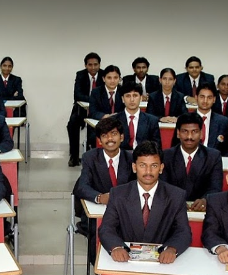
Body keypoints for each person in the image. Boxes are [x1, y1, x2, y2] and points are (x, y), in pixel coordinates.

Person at [98, 141, 192, 275]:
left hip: (160, 264)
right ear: (134, 167)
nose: (148, 171)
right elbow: (107, 228)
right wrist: (116, 247)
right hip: (128, 262)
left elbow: (183, 231)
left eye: (153, 166)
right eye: (143, 165)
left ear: (161, 168)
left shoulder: (176, 195)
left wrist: (172, 248)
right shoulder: (118, 193)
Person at [71, 116, 135, 245]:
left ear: (121, 137)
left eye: (114, 134)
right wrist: (100, 198)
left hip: (127, 213)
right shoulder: (90, 157)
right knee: (98, 238)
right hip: (98, 214)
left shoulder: (132, 158)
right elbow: (82, 187)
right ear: (99, 140)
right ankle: (98, 263)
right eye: (105, 135)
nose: (110, 139)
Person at [161, 113, 223, 212]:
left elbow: (215, 188)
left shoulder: (213, 156)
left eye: (194, 132)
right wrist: (176, 201)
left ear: (201, 134)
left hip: (202, 211)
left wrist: (205, 200)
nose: (189, 136)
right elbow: (163, 186)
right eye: (185, 131)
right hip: (172, 209)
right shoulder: (166, 156)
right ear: (178, 133)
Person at [67, 52, 102, 167]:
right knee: (72, 124)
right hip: (81, 109)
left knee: (94, 128)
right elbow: (77, 95)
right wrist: (94, 98)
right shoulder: (80, 75)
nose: (93, 67)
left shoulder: (104, 75)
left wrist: (94, 101)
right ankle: (74, 156)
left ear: (99, 65)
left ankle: (93, 155)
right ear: (85, 65)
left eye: (95, 64)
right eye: (90, 65)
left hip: (98, 109)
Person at [187, 82, 228, 157]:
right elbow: (177, 146)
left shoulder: (223, 122)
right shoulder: (185, 119)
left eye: (209, 98)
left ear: (214, 99)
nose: (205, 101)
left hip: (214, 162)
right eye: (202, 97)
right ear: (196, 98)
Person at [114, 82, 161, 151]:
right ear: (122, 99)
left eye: (135, 95)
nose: (132, 100)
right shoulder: (114, 120)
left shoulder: (152, 120)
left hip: (144, 157)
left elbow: (156, 146)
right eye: (128, 96)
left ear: (141, 98)